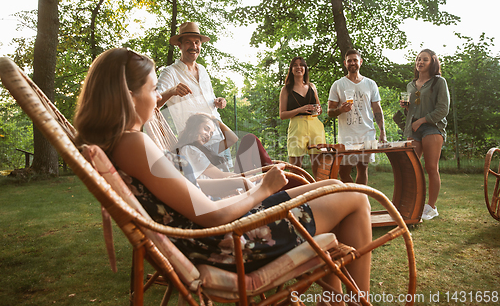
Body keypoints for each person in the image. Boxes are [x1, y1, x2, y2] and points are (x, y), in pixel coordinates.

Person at [74, 48, 372, 296]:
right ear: (127, 96)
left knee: (335, 185)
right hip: (229, 243)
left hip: (220, 232)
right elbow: (211, 216)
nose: (158, 98)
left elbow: (191, 189)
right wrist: (262, 189)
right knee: (356, 198)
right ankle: (355, 300)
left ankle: (336, 296)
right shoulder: (133, 143)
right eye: (152, 89)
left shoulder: (122, 144)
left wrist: (248, 182)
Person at [156, 22, 232, 168]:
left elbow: (210, 99)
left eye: (197, 42)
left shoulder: (203, 70)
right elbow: (155, 103)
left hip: (218, 136)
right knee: (212, 186)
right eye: (188, 42)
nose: (194, 46)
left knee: (229, 181)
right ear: (179, 45)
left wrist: (218, 101)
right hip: (196, 144)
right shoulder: (170, 72)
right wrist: (172, 91)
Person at [401, 49, 450, 221]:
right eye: (418, 59)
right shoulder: (411, 85)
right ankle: (415, 203)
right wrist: (406, 107)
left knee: (431, 168)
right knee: (411, 168)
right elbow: (412, 109)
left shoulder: (439, 82)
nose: (420, 62)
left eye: (425, 59)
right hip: (413, 129)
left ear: (432, 62)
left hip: (432, 128)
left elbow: (443, 109)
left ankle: (431, 207)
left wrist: (422, 120)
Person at [328, 49, 386, 185]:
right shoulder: (338, 85)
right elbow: (330, 112)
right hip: (347, 135)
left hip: (367, 133)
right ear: (345, 63)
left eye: (355, 60)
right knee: (343, 171)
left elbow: (377, 109)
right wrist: (340, 109)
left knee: (362, 169)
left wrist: (382, 131)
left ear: (360, 62)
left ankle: (361, 200)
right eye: (349, 60)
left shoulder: (370, 84)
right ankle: (353, 195)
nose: (352, 63)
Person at [279, 57, 326, 179]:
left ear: (305, 68)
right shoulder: (286, 89)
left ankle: (319, 192)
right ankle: (296, 193)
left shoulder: (312, 86)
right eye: (295, 65)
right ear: (291, 69)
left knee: (318, 164)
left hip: (315, 126)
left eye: (301, 65)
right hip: (297, 126)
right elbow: (282, 114)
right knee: (295, 166)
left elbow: (319, 107)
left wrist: (319, 110)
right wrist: (300, 109)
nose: (298, 67)